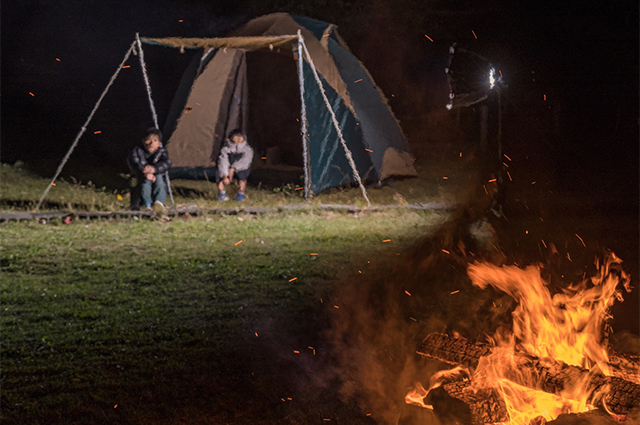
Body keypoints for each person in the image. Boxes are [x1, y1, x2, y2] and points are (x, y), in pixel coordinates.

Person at [127, 127, 172, 213]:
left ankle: (160, 203)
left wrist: (154, 169)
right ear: (143, 141)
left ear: (159, 143)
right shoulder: (137, 151)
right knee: (145, 182)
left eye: (155, 141)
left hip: (155, 174)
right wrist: (145, 172)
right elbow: (135, 162)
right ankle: (146, 204)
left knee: (159, 180)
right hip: (141, 175)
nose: (151, 143)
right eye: (148, 140)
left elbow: (167, 163)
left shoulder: (162, 151)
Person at [217, 129, 253, 201]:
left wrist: (233, 168)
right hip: (227, 167)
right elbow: (223, 160)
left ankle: (241, 194)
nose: (238, 139)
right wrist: (225, 174)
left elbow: (245, 161)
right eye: (236, 137)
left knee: (242, 176)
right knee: (218, 175)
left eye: (240, 137)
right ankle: (222, 194)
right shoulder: (225, 149)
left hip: (241, 168)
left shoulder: (247, 149)